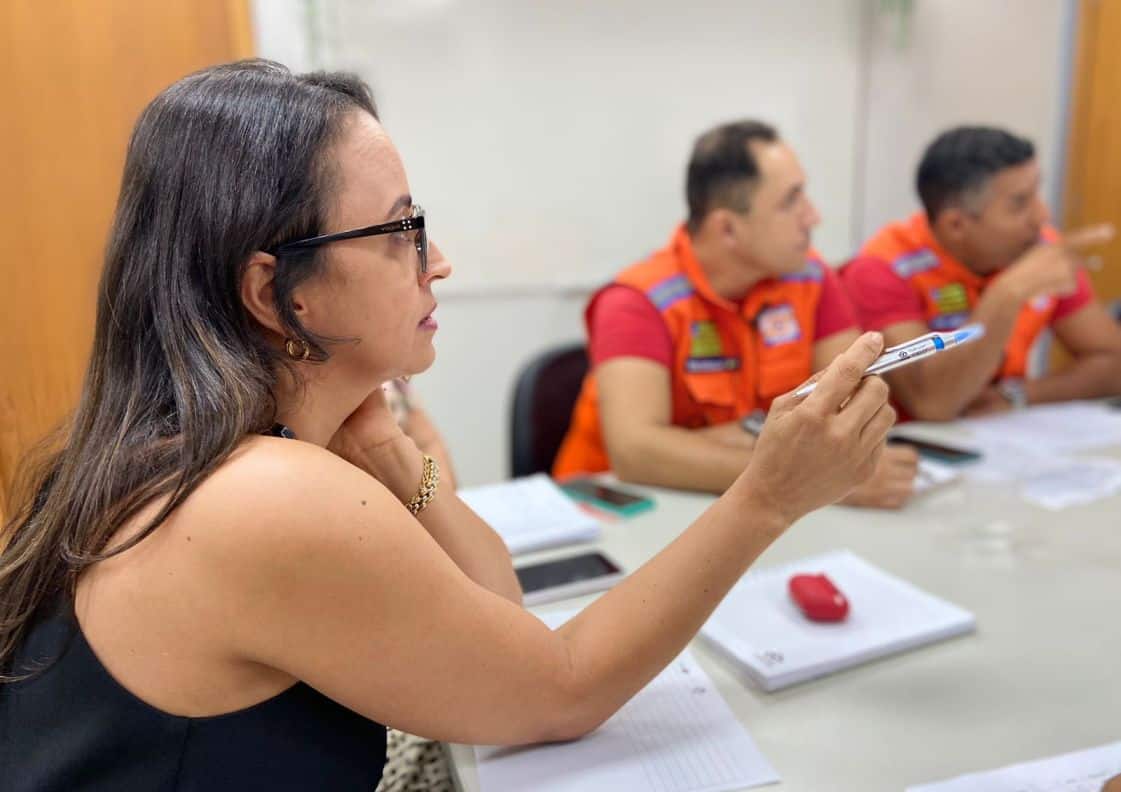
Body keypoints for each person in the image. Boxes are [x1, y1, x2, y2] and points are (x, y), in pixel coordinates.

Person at [0, 61, 894, 791]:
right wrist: (766, 498)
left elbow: (495, 618)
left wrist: (390, 449)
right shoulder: (259, 500)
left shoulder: (205, 453)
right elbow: (560, 689)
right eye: (400, 230)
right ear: (277, 295)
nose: (439, 262)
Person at [552, 120, 918, 509]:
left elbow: (853, 408)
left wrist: (708, 446)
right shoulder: (637, 301)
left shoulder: (810, 277)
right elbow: (637, 454)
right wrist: (809, 475)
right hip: (626, 512)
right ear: (727, 228)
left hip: (748, 507)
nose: (812, 216)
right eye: (790, 201)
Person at [841, 126, 1121, 420]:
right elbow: (933, 403)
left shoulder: (1036, 248)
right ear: (956, 225)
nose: (1042, 216)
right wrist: (1008, 293)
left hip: (1001, 439)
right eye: (1019, 204)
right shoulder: (882, 268)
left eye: (1036, 193)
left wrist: (1018, 396)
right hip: (914, 452)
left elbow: (1113, 364)